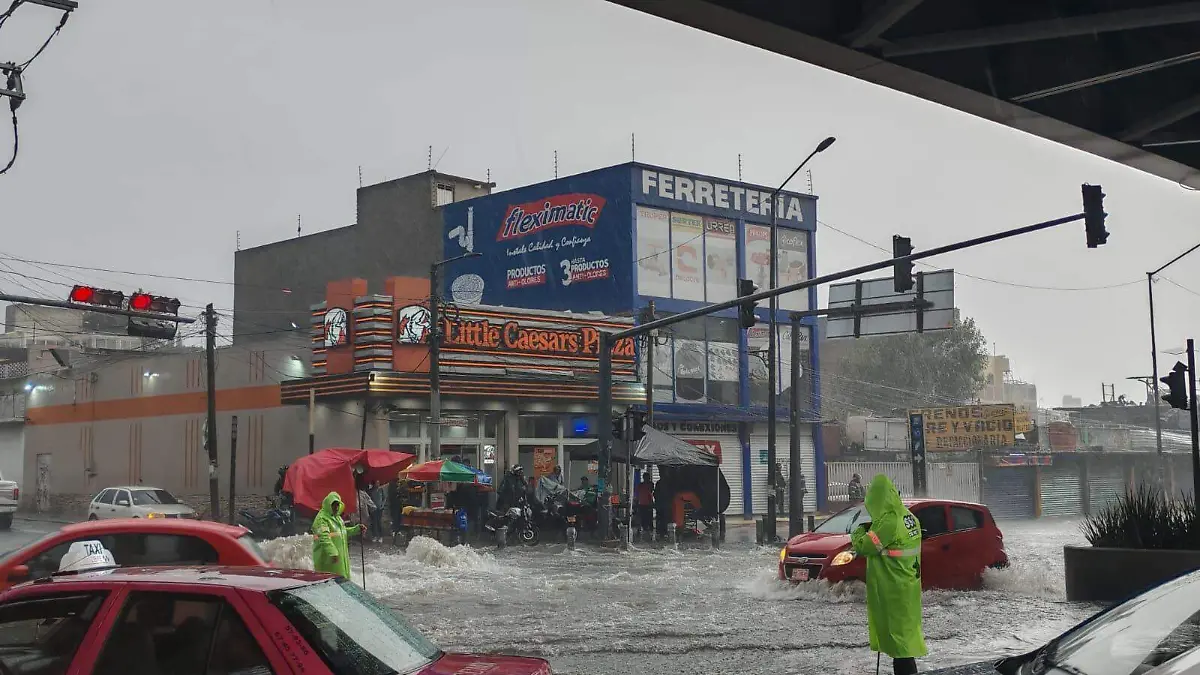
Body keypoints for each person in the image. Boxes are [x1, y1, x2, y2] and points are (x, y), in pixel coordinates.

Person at [849, 474, 927, 675]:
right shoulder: (908, 517)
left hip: (893, 589)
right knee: (904, 641)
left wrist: (857, 531)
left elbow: (865, 546)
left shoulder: (889, 522)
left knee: (899, 645)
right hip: (907, 585)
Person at [312, 491, 363, 580]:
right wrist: (333, 552)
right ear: (328, 504)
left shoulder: (337, 517)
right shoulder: (321, 519)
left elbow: (342, 532)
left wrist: (357, 529)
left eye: (337, 505)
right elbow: (324, 537)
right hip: (328, 560)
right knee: (331, 585)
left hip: (340, 560)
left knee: (342, 582)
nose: (336, 507)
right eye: (333, 505)